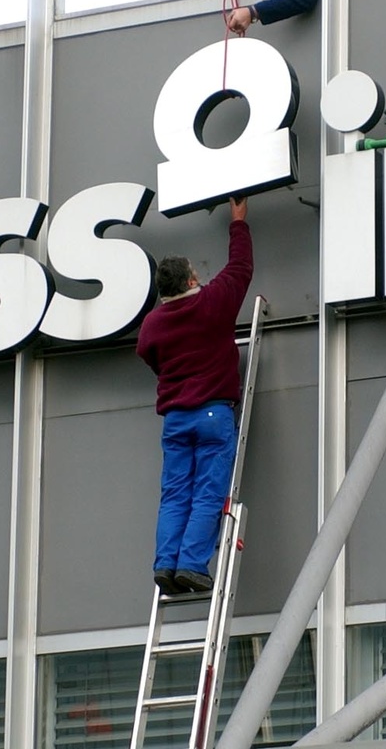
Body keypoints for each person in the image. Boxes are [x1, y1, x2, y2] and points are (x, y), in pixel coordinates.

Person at [137, 197, 253, 594]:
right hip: (212, 416)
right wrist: (238, 221)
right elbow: (240, 268)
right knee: (208, 491)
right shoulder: (211, 303)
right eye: (195, 274)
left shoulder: (152, 325)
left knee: (173, 495)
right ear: (189, 281)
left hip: (175, 420)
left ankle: (165, 565)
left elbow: (149, 356)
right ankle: (191, 565)